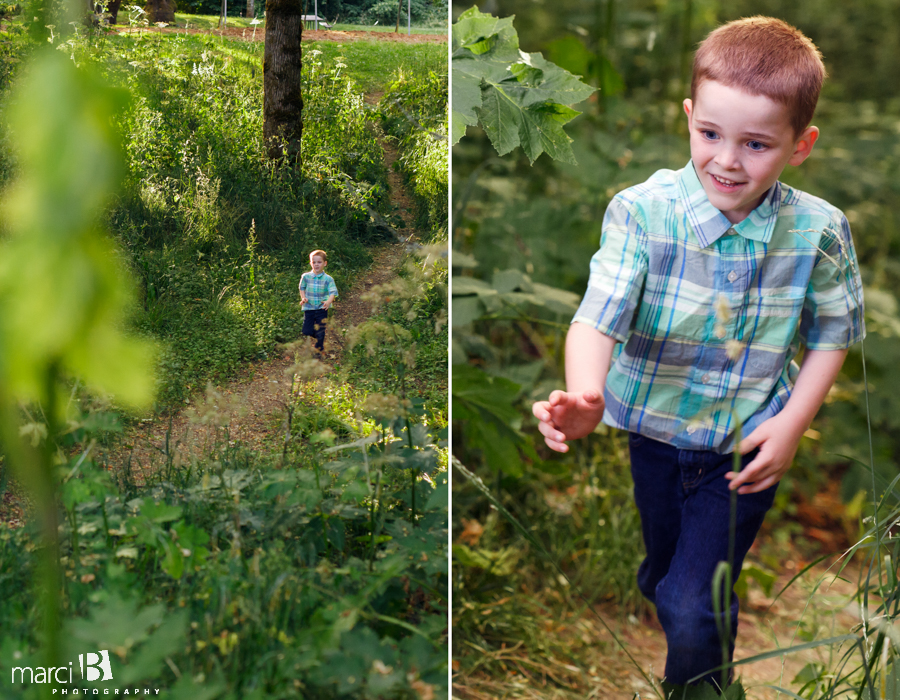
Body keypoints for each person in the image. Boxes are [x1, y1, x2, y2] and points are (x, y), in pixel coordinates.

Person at [532, 16, 865, 689]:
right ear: (689, 115)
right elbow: (598, 317)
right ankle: (693, 625)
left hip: (746, 447)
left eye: (757, 144)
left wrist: (793, 425)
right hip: (653, 436)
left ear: (801, 145)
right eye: (710, 133)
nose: (727, 160)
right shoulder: (642, 212)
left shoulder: (819, 231)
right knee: (665, 579)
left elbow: (833, 332)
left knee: (693, 602)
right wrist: (586, 394)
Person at [299, 249, 338, 356]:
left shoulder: (328, 279)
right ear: (310, 263)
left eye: (319, 262)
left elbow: (333, 292)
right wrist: (303, 298)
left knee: (320, 330)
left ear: (325, 263)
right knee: (306, 331)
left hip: (322, 308)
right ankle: (319, 337)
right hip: (309, 307)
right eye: (314, 262)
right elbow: (301, 288)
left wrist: (328, 301)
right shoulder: (305, 276)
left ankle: (318, 350)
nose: (316, 264)